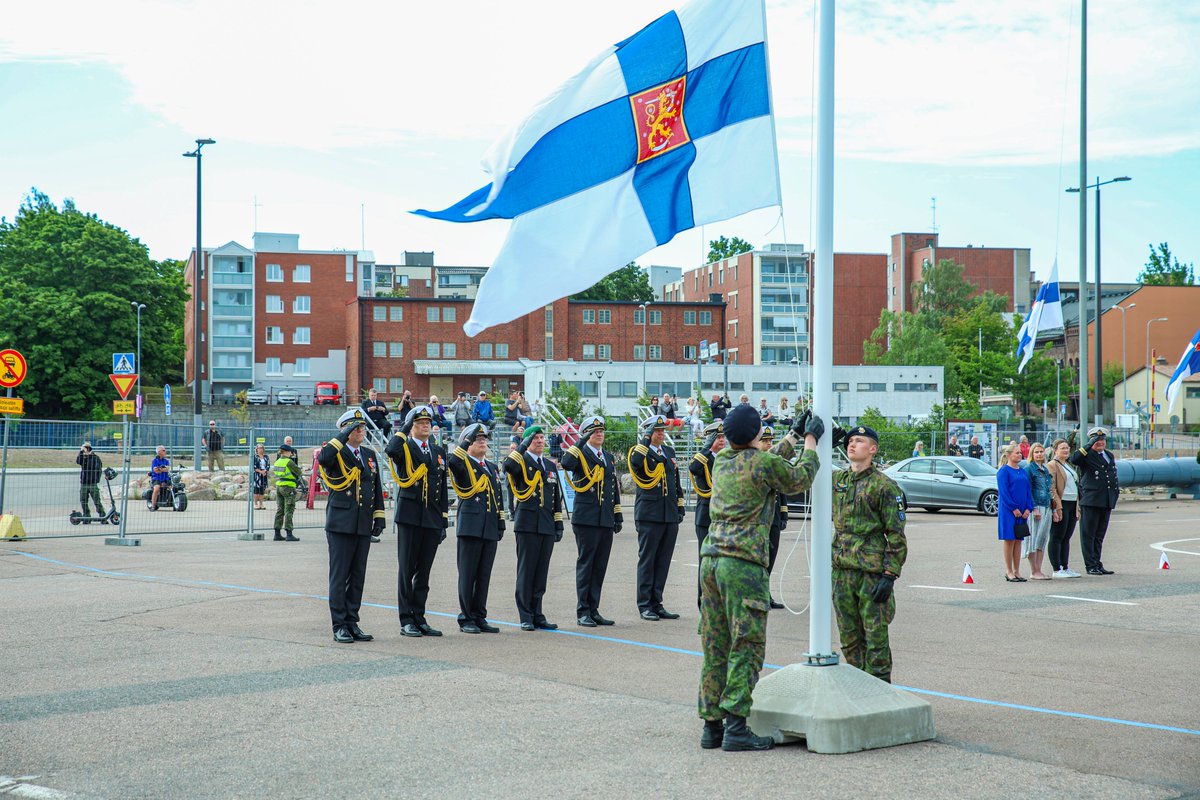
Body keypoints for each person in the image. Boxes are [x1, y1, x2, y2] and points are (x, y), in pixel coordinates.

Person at [698, 404, 822, 751]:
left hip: (711, 561)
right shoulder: (763, 464)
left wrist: (793, 436)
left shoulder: (722, 460)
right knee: (746, 645)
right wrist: (811, 441)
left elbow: (766, 462)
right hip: (742, 563)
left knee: (715, 644)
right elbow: (798, 477)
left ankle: (712, 726)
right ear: (755, 434)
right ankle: (736, 725)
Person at [829, 424, 907, 683]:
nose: (852, 444)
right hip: (842, 571)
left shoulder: (885, 486)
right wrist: (822, 446)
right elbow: (803, 474)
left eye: (859, 441)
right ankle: (857, 686)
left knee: (875, 638)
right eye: (850, 441)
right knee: (849, 638)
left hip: (871, 573)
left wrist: (890, 574)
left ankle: (880, 691)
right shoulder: (838, 480)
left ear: (872, 449)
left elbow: (896, 534)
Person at [318, 409, 386, 643]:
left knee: (357, 576)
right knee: (340, 576)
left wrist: (379, 516)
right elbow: (323, 459)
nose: (360, 430)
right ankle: (339, 624)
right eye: (354, 427)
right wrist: (342, 436)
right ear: (344, 430)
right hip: (341, 523)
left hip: (362, 523)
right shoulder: (335, 451)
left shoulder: (367, 454)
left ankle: (352, 621)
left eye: (361, 427)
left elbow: (375, 486)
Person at [386, 405, 451, 637]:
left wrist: (443, 520)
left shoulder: (438, 450)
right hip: (410, 517)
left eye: (427, 423)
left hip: (432, 518)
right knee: (407, 569)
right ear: (412, 426)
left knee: (424, 572)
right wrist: (405, 425)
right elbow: (390, 449)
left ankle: (419, 616)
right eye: (420, 422)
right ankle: (406, 619)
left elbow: (442, 487)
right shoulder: (405, 446)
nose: (426, 426)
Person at [560, 416, 623, 627]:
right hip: (586, 519)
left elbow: (612, 487)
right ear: (586, 434)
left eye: (601, 431)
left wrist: (617, 514)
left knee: (599, 567)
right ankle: (583, 611)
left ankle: (594, 609)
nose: (599, 434)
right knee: (586, 565)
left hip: (604, 518)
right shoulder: (581, 454)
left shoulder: (607, 456)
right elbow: (566, 463)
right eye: (593, 431)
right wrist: (579, 442)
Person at [447, 423, 505, 634]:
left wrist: (500, 522)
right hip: (470, 526)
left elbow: (497, 497)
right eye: (477, 439)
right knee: (468, 573)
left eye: (484, 439)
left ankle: (479, 615)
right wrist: (465, 440)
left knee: (483, 575)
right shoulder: (463, 463)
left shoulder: (491, 466)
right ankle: (466, 617)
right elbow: (452, 461)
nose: (482, 442)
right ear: (468, 444)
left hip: (488, 526)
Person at [504, 425, 564, 631]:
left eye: (541, 438)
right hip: (527, 524)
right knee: (526, 571)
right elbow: (508, 466)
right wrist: (522, 445)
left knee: (541, 573)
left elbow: (556, 498)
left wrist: (558, 523)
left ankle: (537, 613)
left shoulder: (549, 465)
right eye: (535, 438)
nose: (539, 441)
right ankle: (525, 615)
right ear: (528, 442)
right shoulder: (521, 461)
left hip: (546, 524)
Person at [628, 415, 685, 621]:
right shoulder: (639, 452)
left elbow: (675, 481)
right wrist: (645, 439)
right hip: (649, 515)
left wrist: (679, 506)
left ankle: (657, 602)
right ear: (648, 433)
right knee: (648, 560)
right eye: (656, 431)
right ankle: (644, 604)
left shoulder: (669, 452)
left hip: (668, 514)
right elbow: (635, 463)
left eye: (662, 431)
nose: (661, 434)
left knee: (663, 561)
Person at [1069, 426, 1119, 575]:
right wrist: (1089, 445)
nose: (1100, 443)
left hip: (1106, 500)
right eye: (1097, 441)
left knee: (1099, 535)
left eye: (1102, 440)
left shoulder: (1109, 455)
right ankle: (1090, 565)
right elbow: (1074, 459)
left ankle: (1097, 563)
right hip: (1091, 500)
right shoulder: (1087, 454)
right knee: (1088, 534)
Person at [755, 426, 789, 609]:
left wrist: (783, 513)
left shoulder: (775, 461)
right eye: (765, 441)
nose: (768, 444)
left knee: (771, 557)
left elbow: (781, 490)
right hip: (760, 519)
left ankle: (765, 593)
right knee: (760, 558)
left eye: (770, 441)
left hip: (773, 517)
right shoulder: (757, 463)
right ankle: (759, 594)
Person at [997, 443, 1033, 582]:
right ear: (1009, 455)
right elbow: (1004, 492)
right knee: (1010, 539)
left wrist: (1028, 508)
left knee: (1019, 540)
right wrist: (1014, 508)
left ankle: (1017, 571)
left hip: (1023, 511)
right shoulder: (1004, 471)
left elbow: (1028, 491)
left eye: (1020, 453)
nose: (1020, 455)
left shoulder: (1022, 471)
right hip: (1009, 511)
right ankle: (1009, 571)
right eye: (1017, 453)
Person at [689, 420, 725, 561]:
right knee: (706, 561)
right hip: (706, 517)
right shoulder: (703, 459)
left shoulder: (727, 458)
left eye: (723, 437)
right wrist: (706, 448)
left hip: (724, 517)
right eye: (717, 437)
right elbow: (694, 468)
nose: (722, 440)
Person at [1046, 438, 1081, 578]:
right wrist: (1057, 507)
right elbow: (1052, 488)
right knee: (1057, 536)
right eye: (1062, 448)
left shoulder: (1068, 465)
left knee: (1066, 536)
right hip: (1062, 502)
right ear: (1055, 450)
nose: (1066, 450)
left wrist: (1077, 507)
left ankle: (1065, 566)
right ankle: (1056, 568)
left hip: (1072, 503)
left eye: (1067, 448)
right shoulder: (1052, 465)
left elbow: (1076, 487)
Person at [1023, 443, 1052, 579]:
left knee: (1042, 540)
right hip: (1036, 507)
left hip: (1046, 506)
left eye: (1041, 452)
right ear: (1032, 454)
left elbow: (1049, 490)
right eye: (1036, 452)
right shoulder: (1029, 469)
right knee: (1033, 540)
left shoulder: (1045, 470)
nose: (1039, 454)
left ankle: (1039, 570)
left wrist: (1054, 508)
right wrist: (1033, 508)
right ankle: (1033, 571)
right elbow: (1027, 490)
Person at [271, 444, 302, 540]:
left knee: (280, 510)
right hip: (288, 487)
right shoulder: (289, 462)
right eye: (291, 452)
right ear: (287, 452)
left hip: (279, 485)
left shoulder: (277, 462)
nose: (292, 453)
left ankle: (277, 533)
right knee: (289, 509)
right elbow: (298, 472)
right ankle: (289, 533)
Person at [76, 442, 105, 522]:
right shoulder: (83, 458)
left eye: (84, 449)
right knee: (83, 501)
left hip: (92, 483)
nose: (82, 451)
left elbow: (97, 469)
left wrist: (96, 480)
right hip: (84, 483)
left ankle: (102, 516)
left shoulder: (95, 458)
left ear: (88, 449)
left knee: (97, 501)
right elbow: (78, 461)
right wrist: (81, 452)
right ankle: (86, 515)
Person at [149, 445, 171, 510]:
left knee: (174, 487)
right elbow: (156, 471)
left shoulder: (166, 461)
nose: (165, 452)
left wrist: (160, 469)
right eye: (163, 450)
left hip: (165, 478)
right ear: (159, 452)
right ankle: (153, 506)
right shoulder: (155, 461)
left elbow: (167, 469)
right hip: (156, 479)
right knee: (157, 488)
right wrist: (162, 469)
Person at [252, 443, 270, 510]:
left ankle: (261, 503)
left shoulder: (266, 456)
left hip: (264, 474)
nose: (261, 449)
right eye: (259, 448)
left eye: (262, 448)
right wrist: (260, 471)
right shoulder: (255, 457)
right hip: (257, 475)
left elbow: (268, 465)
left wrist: (265, 471)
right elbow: (254, 466)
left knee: (262, 489)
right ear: (257, 449)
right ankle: (256, 504)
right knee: (256, 489)